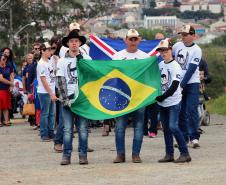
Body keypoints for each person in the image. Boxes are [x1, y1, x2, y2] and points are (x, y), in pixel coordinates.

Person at [112, 29, 150, 163]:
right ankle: (120, 154)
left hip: (139, 97)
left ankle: (136, 154)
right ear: (125, 40)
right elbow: (112, 76)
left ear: (139, 40)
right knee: (120, 126)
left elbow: (148, 78)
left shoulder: (145, 57)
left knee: (139, 126)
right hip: (121, 96)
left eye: (135, 39)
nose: (133, 41)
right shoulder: (117, 56)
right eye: (130, 39)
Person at [56, 30, 92, 165]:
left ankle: (83, 155)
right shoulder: (62, 61)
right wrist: (65, 100)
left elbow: (92, 78)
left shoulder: (87, 59)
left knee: (83, 129)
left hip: (82, 100)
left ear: (80, 43)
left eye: (76, 41)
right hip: (68, 99)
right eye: (71, 41)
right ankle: (66, 155)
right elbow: (60, 81)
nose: (74, 44)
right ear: (68, 44)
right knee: (67, 130)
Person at [155, 39, 191, 163]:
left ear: (170, 50)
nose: (163, 53)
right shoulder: (160, 65)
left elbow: (175, 85)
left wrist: (163, 96)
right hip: (162, 103)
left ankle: (185, 153)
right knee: (166, 129)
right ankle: (169, 154)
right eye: (161, 51)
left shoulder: (175, 66)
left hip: (173, 102)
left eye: (165, 50)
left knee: (173, 127)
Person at [173, 25, 202, 148]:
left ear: (193, 36)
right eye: (182, 35)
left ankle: (194, 137)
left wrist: (182, 85)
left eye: (185, 35)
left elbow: (191, 70)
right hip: (178, 82)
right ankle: (183, 138)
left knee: (191, 110)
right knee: (180, 111)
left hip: (192, 83)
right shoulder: (176, 46)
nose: (183, 37)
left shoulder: (197, 50)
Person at [37, 42, 58, 141]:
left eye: (51, 49)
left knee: (51, 114)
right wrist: (51, 93)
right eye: (48, 50)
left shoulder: (49, 62)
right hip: (45, 92)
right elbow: (43, 80)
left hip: (51, 91)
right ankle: (44, 134)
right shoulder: (41, 64)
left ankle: (51, 132)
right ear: (43, 51)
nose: (50, 51)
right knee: (45, 113)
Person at [0, 52, 14, 126]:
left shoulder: (9, 66)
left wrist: (11, 85)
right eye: (3, 58)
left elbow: (12, 75)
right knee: (0, 105)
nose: (4, 59)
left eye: (5, 58)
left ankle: (6, 120)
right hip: (1, 89)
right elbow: (1, 79)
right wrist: (10, 83)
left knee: (6, 105)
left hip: (7, 89)